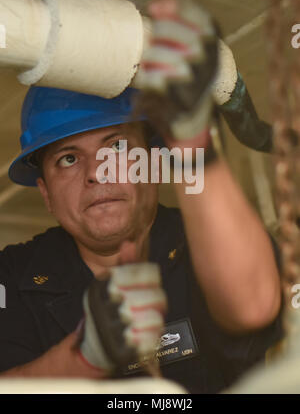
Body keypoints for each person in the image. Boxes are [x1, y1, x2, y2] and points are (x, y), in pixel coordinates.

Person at [0, 84, 283, 394]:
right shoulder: (10, 278)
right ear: (46, 193)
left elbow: (254, 306)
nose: (97, 172)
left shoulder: (218, 242)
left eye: (118, 147)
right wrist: (83, 358)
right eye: (68, 159)